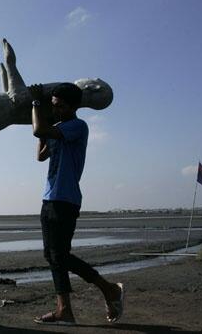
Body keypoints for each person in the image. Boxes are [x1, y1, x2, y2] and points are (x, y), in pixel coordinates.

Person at [30, 83, 124, 325]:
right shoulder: (57, 127)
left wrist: (36, 105)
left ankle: (108, 289)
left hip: (66, 199)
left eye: (60, 106)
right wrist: (42, 119)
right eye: (54, 106)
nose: (57, 110)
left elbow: (38, 128)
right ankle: (66, 310)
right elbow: (40, 155)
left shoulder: (77, 127)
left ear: (74, 107)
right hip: (49, 198)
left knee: (59, 255)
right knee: (52, 256)